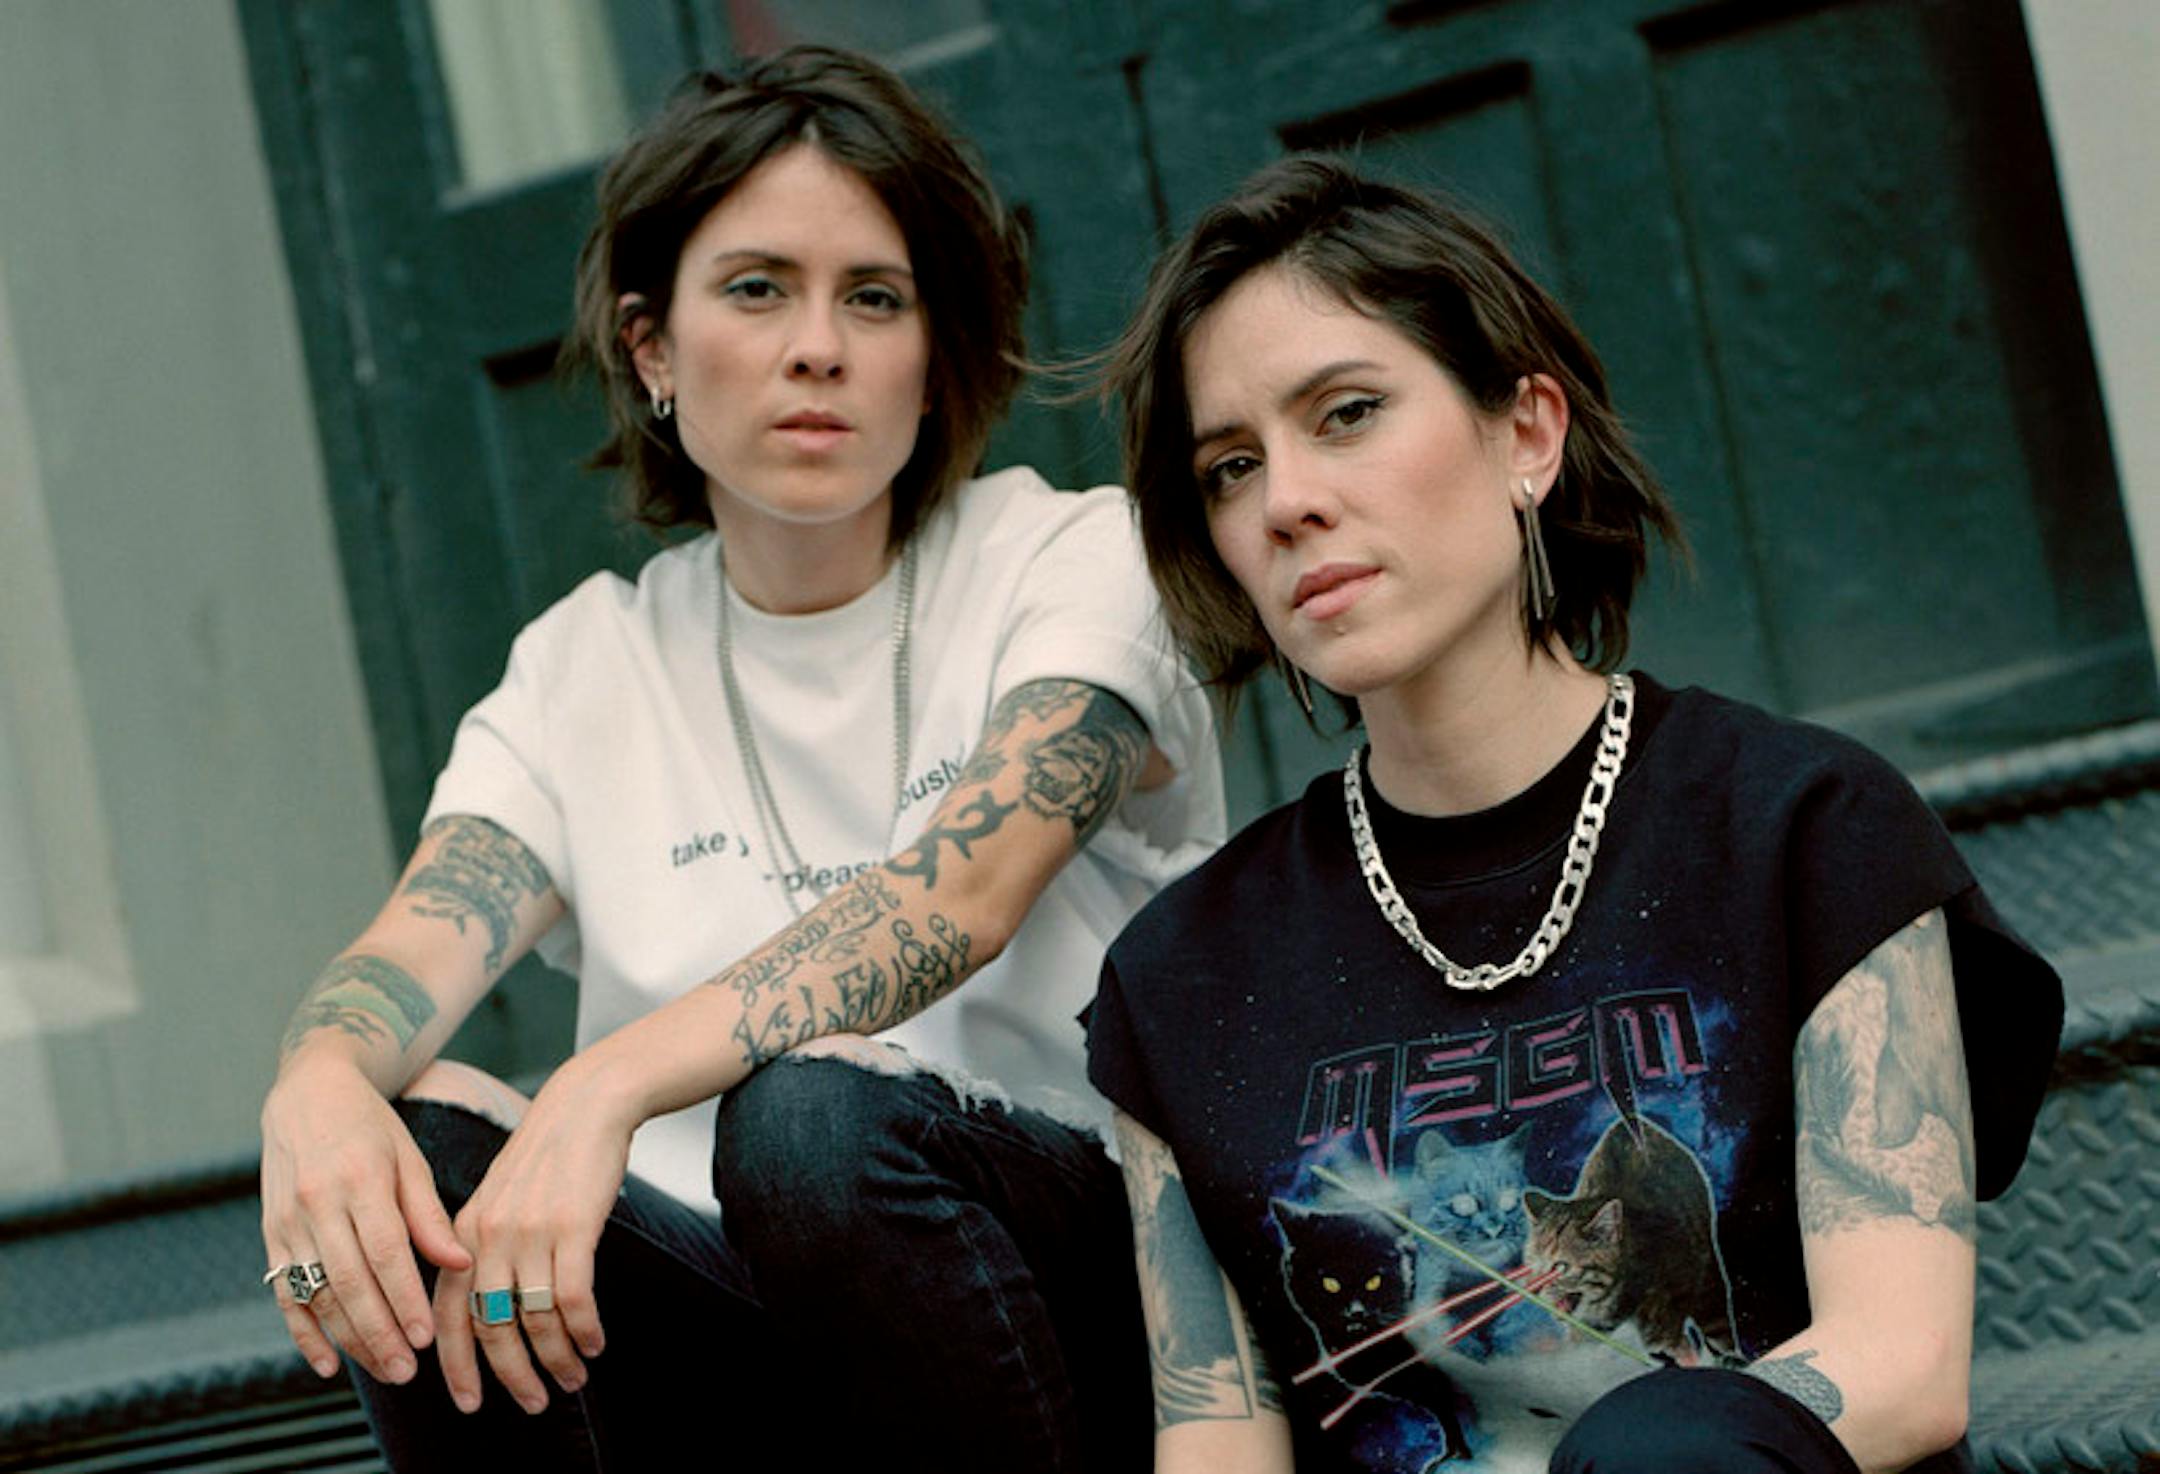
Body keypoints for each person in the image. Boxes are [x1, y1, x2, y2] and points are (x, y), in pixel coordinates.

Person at [257, 47, 1222, 1473]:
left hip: (1065, 1303)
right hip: (747, 1351)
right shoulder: (585, 666)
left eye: (874, 298)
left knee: (813, 1126)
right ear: (653, 348)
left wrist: (603, 1083)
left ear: (932, 350)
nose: (817, 345)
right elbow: (408, 956)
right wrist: (313, 1086)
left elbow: (963, 895)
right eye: (758, 287)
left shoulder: (1066, 562)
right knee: (422, 1158)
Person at [1087, 157, 2061, 1474]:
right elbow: (1216, 1444)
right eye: (1230, 466)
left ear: (1528, 435)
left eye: (1350, 412)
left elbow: (1899, 1366)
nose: (1286, 501)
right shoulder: (1178, 977)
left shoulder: (1808, 831)